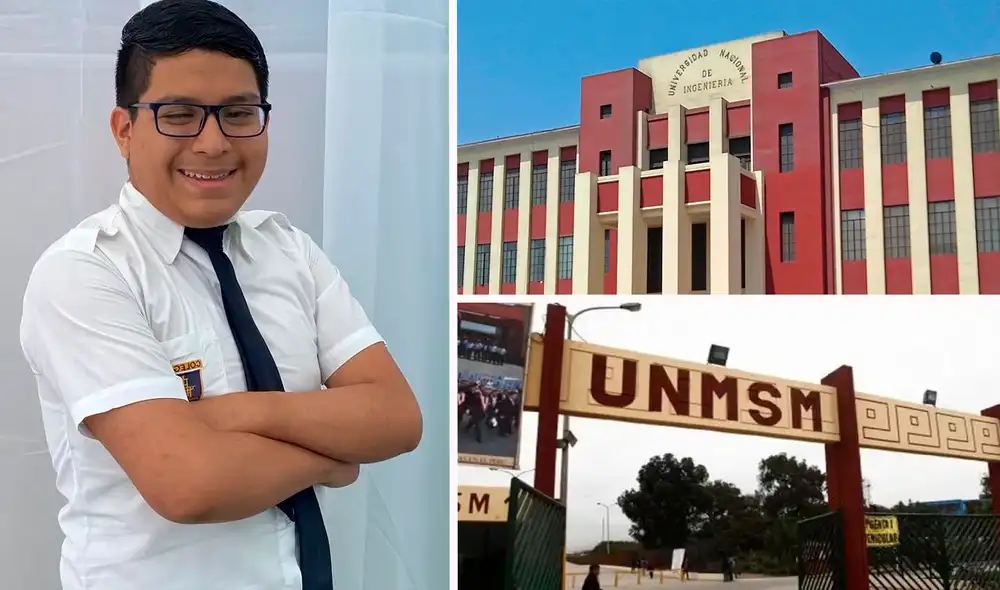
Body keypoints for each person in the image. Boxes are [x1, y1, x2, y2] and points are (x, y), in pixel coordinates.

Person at [17, 1, 422, 589]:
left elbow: (396, 418)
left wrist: (231, 414)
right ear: (124, 129)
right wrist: (332, 459)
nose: (213, 143)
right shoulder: (84, 273)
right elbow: (189, 485)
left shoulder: (289, 253)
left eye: (238, 112)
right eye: (179, 115)